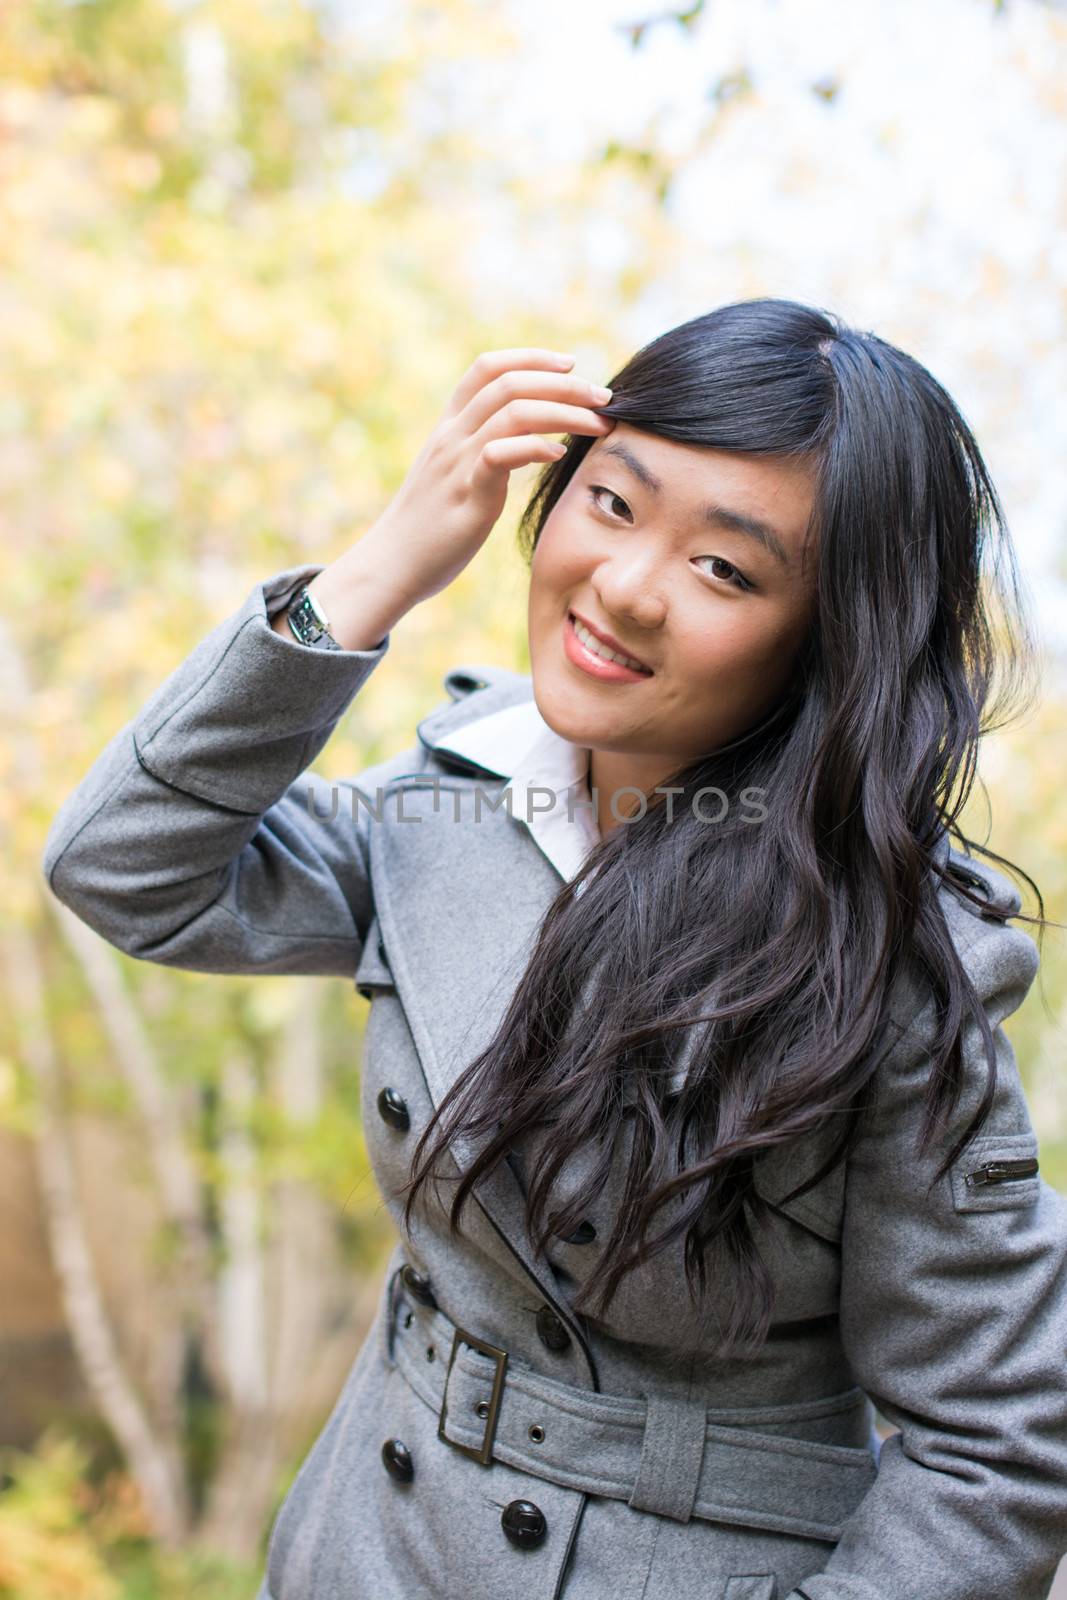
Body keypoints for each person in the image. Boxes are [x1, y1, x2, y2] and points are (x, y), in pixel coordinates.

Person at [42, 298, 1067, 1600]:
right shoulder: (453, 803)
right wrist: (385, 566)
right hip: (368, 1548)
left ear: (827, 643)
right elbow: (125, 867)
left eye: (726, 571)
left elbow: (998, 1449)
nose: (625, 588)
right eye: (614, 503)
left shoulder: (901, 964)